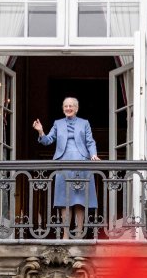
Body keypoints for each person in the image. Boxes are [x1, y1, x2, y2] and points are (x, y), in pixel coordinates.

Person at [33, 97, 100, 239]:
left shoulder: (84, 123)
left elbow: (90, 141)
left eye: (71, 106)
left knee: (80, 200)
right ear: (63, 108)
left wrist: (93, 155)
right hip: (63, 164)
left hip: (82, 163)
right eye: (66, 106)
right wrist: (41, 132)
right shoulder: (58, 123)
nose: (68, 108)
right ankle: (65, 235)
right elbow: (47, 140)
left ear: (76, 108)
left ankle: (80, 233)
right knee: (65, 200)